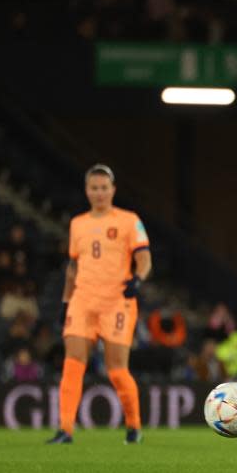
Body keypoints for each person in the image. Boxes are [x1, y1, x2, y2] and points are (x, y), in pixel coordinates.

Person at [47, 164, 152, 445]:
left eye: (104, 187)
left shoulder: (129, 221)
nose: (99, 192)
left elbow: (144, 258)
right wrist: (65, 302)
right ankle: (65, 429)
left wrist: (138, 280)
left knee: (116, 368)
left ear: (113, 190)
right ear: (87, 191)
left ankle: (133, 426)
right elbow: (73, 267)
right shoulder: (77, 224)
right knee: (73, 363)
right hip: (82, 301)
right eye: (94, 188)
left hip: (116, 302)